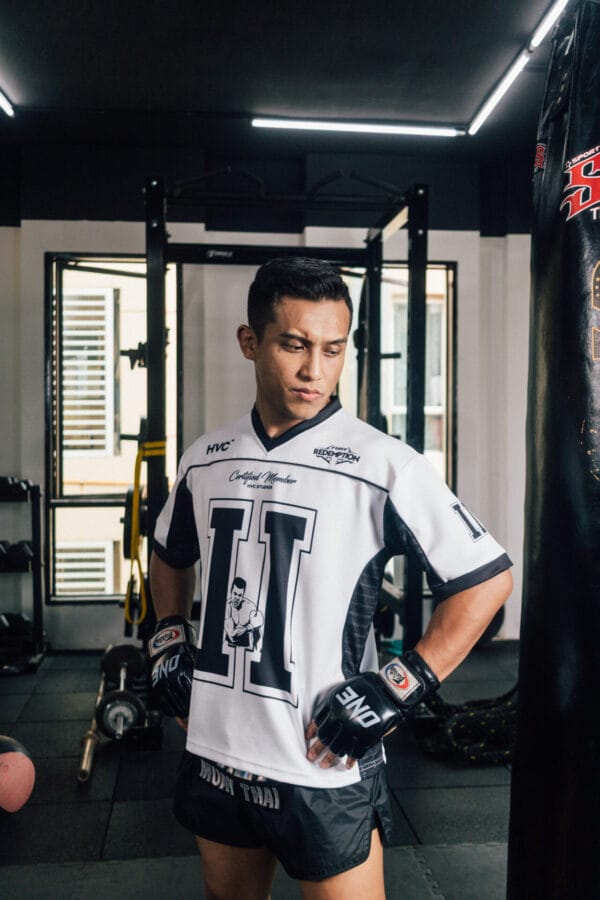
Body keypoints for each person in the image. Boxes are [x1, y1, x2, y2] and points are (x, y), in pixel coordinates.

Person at [147, 256, 513, 900]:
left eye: (333, 349)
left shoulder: (385, 465)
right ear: (250, 341)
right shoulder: (206, 457)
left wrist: (398, 685)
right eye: (294, 345)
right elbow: (169, 553)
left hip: (322, 758)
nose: (314, 369)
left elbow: (485, 582)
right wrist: (169, 636)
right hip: (216, 747)